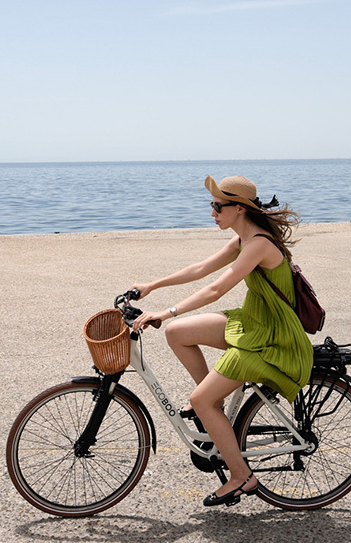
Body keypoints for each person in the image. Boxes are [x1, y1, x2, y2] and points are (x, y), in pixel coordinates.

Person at [131, 175, 312, 507]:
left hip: (272, 337)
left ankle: (242, 476)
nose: (212, 213)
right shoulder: (244, 238)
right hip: (254, 321)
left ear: (239, 208)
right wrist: (152, 285)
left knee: (199, 398)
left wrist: (166, 311)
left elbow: (216, 289)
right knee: (177, 332)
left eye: (218, 206)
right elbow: (200, 269)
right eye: (212, 205)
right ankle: (213, 407)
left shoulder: (258, 244)